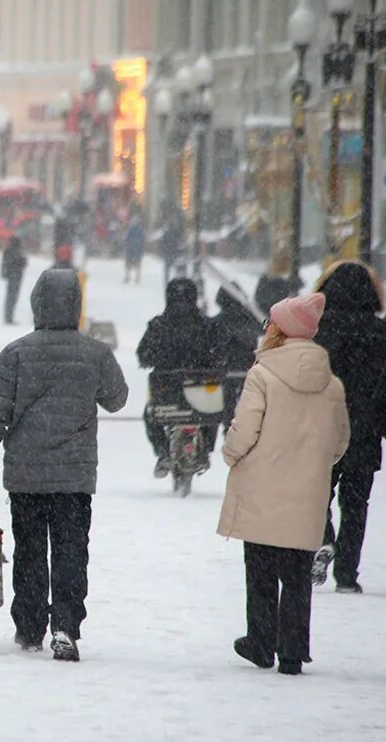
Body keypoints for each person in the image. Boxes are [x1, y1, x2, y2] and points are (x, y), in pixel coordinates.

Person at [0, 268, 128, 662]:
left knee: (31, 551)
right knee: (72, 551)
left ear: (37, 302)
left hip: (27, 475)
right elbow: (117, 399)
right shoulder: (95, 353)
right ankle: (67, 624)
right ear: (76, 305)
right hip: (74, 477)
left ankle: (29, 625)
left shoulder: (16, 353)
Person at [218, 293, 349, 675]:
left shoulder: (263, 373)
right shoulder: (331, 382)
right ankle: (292, 650)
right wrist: (313, 466)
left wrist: (231, 454)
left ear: (280, 329)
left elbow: (246, 427)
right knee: (296, 574)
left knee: (259, 568)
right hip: (307, 491)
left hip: (262, 484)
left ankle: (260, 642)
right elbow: (340, 440)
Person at [310, 261, 386, 593]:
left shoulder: (316, 331)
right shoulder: (380, 334)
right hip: (364, 429)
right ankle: (346, 574)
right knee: (356, 505)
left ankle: (323, 539)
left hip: (322, 429)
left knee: (315, 495)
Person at [137, 277, 221, 477]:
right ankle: (206, 450)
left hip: (167, 395)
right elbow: (218, 354)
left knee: (150, 415)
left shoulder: (158, 326)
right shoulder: (206, 326)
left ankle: (163, 451)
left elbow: (143, 355)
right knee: (214, 410)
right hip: (201, 394)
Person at [209, 286, 262, 428]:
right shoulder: (250, 320)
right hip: (248, 368)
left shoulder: (216, 322)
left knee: (227, 401)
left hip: (225, 370)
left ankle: (229, 428)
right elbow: (263, 328)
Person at [0, 236, 28, 325]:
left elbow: (4, 263)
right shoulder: (18, 252)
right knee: (13, 297)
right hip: (16, 276)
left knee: (10, 297)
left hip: (11, 276)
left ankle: (8, 316)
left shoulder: (8, 251)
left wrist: (4, 273)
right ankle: (9, 317)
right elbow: (23, 263)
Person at [159, 205, 184, 285]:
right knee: (175, 268)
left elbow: (163, 243)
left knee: (167, 269)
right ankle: (175, 281)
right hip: (173, 252)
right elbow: (178, 241)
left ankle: (167, 281)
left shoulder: (167, 233)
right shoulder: (176, 232)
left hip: (169, 252)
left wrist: (163, 250)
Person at [123, 211, 145, 284]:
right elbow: (142, 240)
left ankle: (128, 277)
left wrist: (127, 245)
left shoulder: (131, 229)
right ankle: (136, 277)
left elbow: (127, 239)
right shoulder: (139, 229)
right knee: (137, 264)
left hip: (131, 249)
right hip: (136, 249)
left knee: (129, 263)